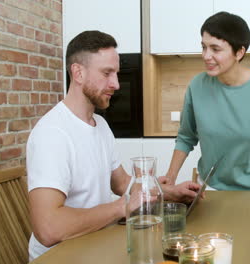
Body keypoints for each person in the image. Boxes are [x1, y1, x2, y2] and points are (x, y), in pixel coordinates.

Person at [26, 30, 201, 261]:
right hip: (61, 256)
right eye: (107, 73)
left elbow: (122, 184)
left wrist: (170, 192)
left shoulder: (99, 125)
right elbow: (49, 229)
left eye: (116, 74)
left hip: (94, 244)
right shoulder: (52, 134)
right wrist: (122, 207)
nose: (116, 84)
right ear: (78, 73)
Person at [161, 12, 250, 191]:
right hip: (210, 189)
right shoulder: (197, 87)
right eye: (204, 47)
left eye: (215, 49)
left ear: (239, 52)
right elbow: (186, 137)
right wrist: (170, 177)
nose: (206, 55)